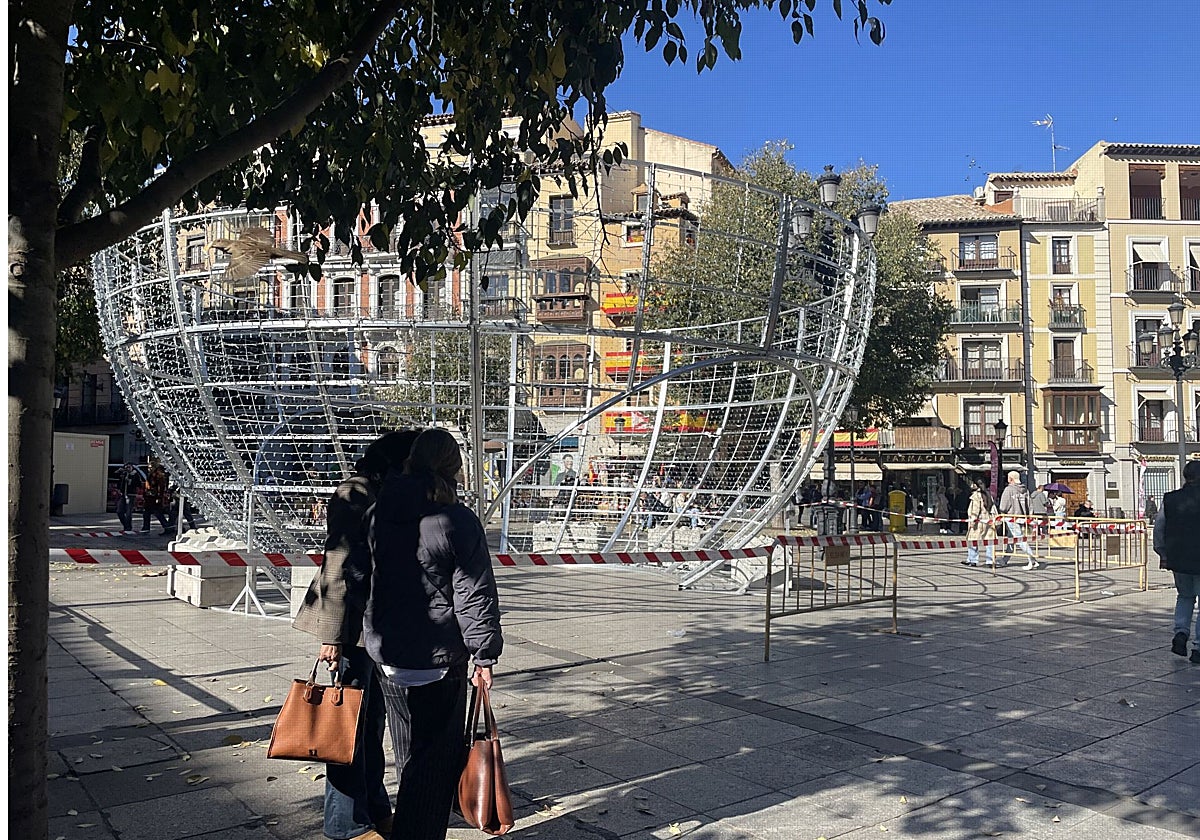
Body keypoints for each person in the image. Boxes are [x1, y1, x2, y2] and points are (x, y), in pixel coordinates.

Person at [360, 428, 504, 840]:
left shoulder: (377, 512)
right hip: (438, 660)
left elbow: (364, 577)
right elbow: (473, 592)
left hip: (387, 654)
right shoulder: (457, 521)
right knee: (433, 762)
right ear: (453, 467)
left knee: (409, 755)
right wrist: (484, 654)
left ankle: (410, 823)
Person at [294, 430, 419, 840]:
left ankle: (374, 809)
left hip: (373, 628)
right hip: (349, 628)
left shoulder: (381, 491)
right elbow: (340, 561)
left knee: (370, 725)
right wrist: (332, 636)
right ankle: (344, 822)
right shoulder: (355, 492)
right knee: (346, 727)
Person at [1152, 460, 1200, 664]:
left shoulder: (1170, 499)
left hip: (1179, 558)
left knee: (1185, 596)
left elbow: (1159, 527)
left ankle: (1181, 633)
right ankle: (1198, 648)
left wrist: (1162, 553)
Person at [999, 471, 1037, 570]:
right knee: (1011, 539)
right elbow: (1030, 504)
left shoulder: (1009, 489)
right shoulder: (1025, 490)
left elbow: (1003, 506)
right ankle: (1005, 559)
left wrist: (1002, 513)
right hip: (1022, 517)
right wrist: (1029, 515)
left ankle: (1032, 560)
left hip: (1011, 517)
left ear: (1011, 479)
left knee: (1020, 539)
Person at [962, 479, 998, 567]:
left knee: (972, 540)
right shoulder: (988, 494)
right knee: (989, 541)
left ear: (976, 485)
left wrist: (972, 522)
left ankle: (972, 559)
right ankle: (990, 560)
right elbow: (993, 508)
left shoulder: (976, 496)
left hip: (978, 521)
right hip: (988, 521)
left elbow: (975, 509)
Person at [140, 460, 172, 534]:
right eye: (148, 468)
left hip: (154, 498)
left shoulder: (158, 476)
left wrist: (159, 497)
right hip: (148, 498)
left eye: (151, 467)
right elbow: (147, 486)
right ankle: (146, 528)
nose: (149, 469)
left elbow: (160, 488)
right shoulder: (150, 475)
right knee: (146, 513)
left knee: (158, 514)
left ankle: (167, 528)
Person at [115, 463, 142, 532]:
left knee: (128, 512)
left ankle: (128, 527)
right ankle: (125, 525)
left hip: (131, 495)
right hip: (123, 494)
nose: (127, 469)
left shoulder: (135, 474)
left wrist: (131, 481)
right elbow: (118, 480)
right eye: (126, 467)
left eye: (129, 467)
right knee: (119, 511)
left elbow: (139, 484)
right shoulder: (124, 474)